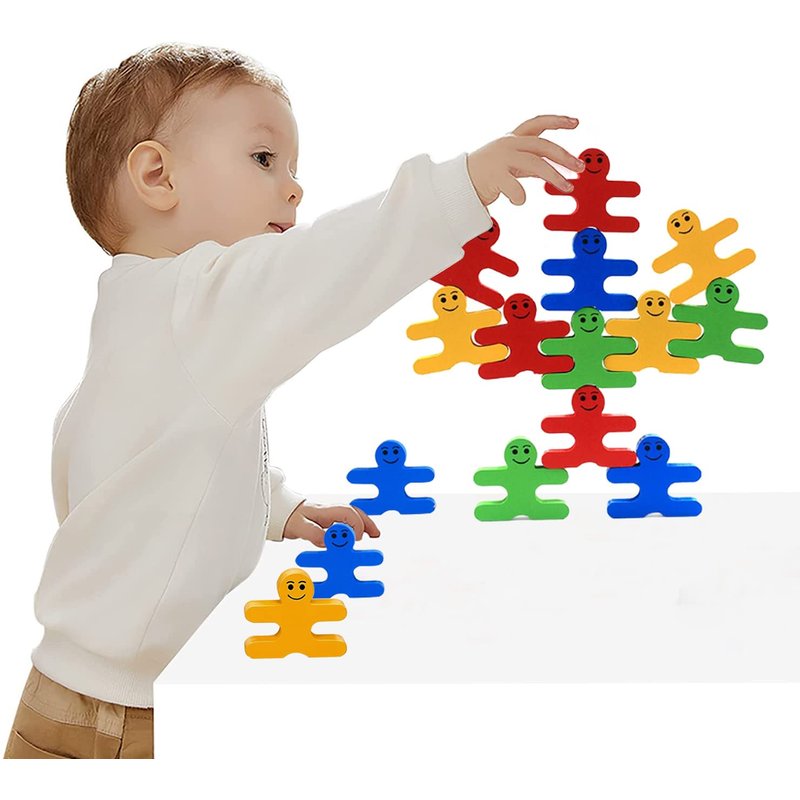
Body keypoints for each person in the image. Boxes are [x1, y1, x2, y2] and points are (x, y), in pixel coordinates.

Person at [3, 42, 583, 759]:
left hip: (77, 687)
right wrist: (459, 188)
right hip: (114, 713)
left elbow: (160, 460)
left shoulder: (140, 312)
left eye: (293, 167)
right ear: (158, 175)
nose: (295, 189)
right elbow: (330, 265)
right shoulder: (195, 301)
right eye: (263, 159)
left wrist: (275, 507)